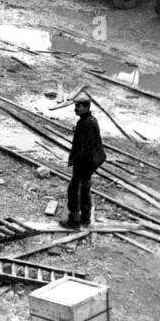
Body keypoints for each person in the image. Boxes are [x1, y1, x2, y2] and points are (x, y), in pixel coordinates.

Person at [61, 98, 106, 229]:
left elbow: (87, 147)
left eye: (78, 106)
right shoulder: (87, 120)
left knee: (75, 189)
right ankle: (85, 218)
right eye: (75, 106)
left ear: (86, 107)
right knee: (85, 189)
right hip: (87, 162)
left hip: (84, 162)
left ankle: (74, 220)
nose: (76, 109)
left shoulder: (87, 123)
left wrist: (79, 164)